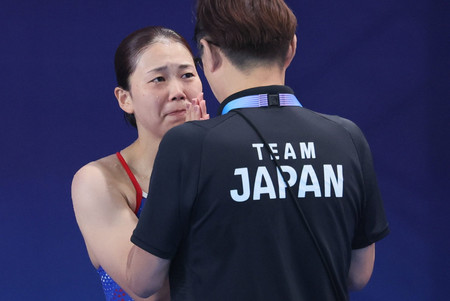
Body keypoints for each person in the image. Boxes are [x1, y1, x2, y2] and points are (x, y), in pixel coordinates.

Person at [125, 1, 390, 300]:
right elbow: (358, 274)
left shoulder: (188, 144)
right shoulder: (348, 137)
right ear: (291, 48)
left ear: (208, 52)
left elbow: (143, 281)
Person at [71, 26, 208, 301]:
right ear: (125, 99)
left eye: (187, 75)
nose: (178, 91)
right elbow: (151, 292)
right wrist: (186, 165)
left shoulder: (229, 163)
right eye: (158, 79)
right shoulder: (98, 181)